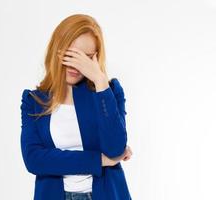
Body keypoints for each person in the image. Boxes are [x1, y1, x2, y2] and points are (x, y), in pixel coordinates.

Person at [20, 14, 133, 200]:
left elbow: (115, 148)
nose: (76, 66)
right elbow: (34, 160)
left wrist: (100, 82)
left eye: (86, 58)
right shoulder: (33, 101)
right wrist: (99, 160)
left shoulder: (109, 92)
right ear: (57, 50)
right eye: (71, 55)